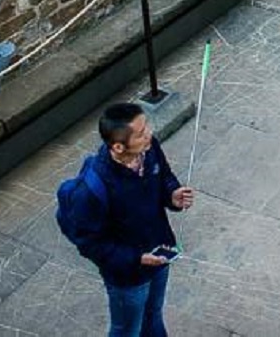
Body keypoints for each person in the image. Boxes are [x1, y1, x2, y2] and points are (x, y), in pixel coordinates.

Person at [56, 102, 196, 337]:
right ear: (118, 147)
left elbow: (164, 177)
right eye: (141, 133)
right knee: (127, 329)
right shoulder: (91, 190)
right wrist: (136, 258)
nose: (149, 134)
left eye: (147, 126)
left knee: (153, 314)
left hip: (160, 252)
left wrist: (173, 195)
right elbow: (90, 244)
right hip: (128, 275)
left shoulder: (149, 149)